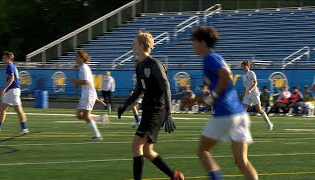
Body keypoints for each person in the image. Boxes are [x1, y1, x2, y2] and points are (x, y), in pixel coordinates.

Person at [191, 26, 258, 180]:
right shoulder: (217, 57)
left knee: (203, 151)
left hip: (225, 113)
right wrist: (197, 100)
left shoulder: (209, 58)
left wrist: (212, 97)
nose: (192, 45)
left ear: (203, 42)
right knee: (242, 162)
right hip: (240, 114)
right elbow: (222, 85)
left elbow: (226, 76)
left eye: (194, 41)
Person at [117, 30, 184, 180]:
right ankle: (175, 176)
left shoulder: (154, 64)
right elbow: (138, 91)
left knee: (136, 145)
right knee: (147, 151)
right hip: (148, 109)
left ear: (141, 46)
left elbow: (166, 86)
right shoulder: (140, 66)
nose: (132, 47)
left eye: (134, 44)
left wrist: (169, 112)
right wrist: (125, 105)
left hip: (156, 110)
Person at [70, 50, 102, 141]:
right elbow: (85, 82)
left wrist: (76, 82)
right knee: (79, 115)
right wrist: (78, 83)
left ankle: (97, 136)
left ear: (82, 59)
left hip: (88, 94)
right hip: (86, 94)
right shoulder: (82, 68)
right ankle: (100, 118)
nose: (75, 58)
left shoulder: (84, 68)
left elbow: (87, 82)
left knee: (86, 115)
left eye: (77, 57)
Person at [0, 51, 29, 134]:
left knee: (19, 110)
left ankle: (25, 129)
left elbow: (12, 78)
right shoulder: (11, 66)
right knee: (3, 109)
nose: (3, 59)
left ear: (9, 58)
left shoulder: (10, 66)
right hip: (11, 91)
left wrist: (3, 89)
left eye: (4, 58)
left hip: (13, 91)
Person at [241, 61, 273, 131]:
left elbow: (255, 83)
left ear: (247, 66)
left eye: (243, 66)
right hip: (247, 95)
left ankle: (269, 123)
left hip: (254, 94)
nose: (242, 68)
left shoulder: (251, 73)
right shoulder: (243, 75)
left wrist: (250, 90)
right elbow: (245, 87)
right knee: (242, 110)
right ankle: (243, 126)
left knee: (259, 110)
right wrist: (243, 95)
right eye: (242, 66)